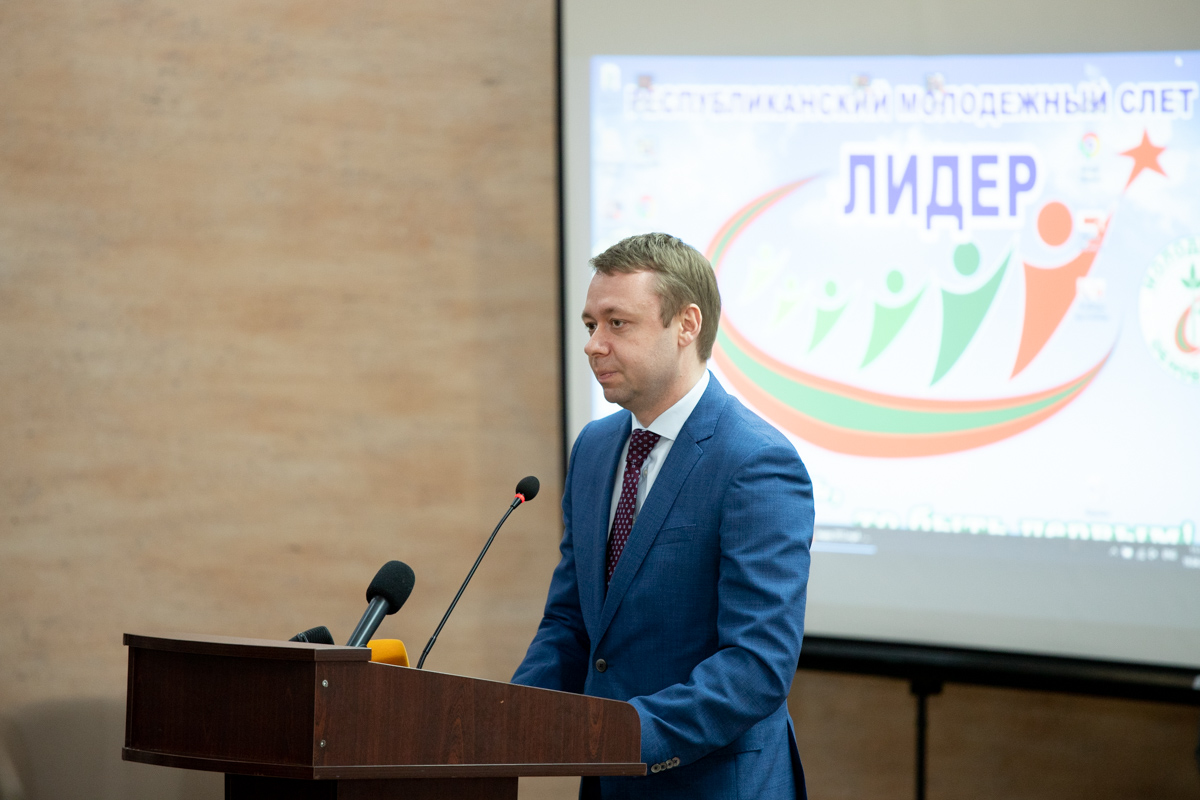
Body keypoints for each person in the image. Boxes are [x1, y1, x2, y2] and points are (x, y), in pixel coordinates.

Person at [512, 232, 814, 799]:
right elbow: (570, 623)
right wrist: (509, 718)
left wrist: (618, 738)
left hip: (714, 785)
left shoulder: (755, 462)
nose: (593, 345)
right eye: (590, 325)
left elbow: (756, 666)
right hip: (607, 782)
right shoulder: (595, 448)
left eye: (617, 323)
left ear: (686, 325)